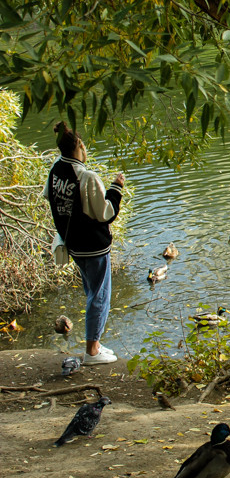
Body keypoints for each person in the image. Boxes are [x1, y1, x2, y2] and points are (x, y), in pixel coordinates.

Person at [44, 122, 125, 365]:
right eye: (84, 145)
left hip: (74, 244)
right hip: (93, 246)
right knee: (99, 296)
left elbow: (51, 196)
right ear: (79, 146)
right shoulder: (86, 176)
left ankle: (95, 343)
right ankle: (92, 351)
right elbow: (106, 213)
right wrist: (116, 188)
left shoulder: (56, 169)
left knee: (92, 292)